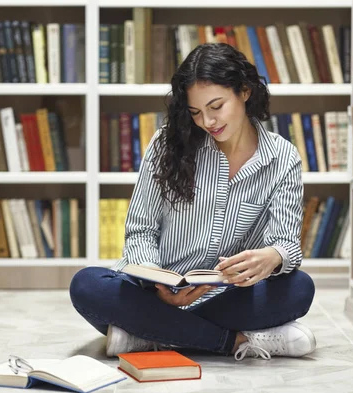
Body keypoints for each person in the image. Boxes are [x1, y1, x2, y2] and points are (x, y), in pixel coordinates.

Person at [70, 43, 316, 361]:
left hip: (230, 297)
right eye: (196, 112)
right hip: (157, 296)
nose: (208, 121)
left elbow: (286, 243)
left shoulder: (283, 157)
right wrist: (156, 281)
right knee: (87, 285)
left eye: (217, 106)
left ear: (244, 91)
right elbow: (140, 229)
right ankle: (234, 341)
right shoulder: (166, 144)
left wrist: (272, 256)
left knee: (299, 288)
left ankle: (148, 335)